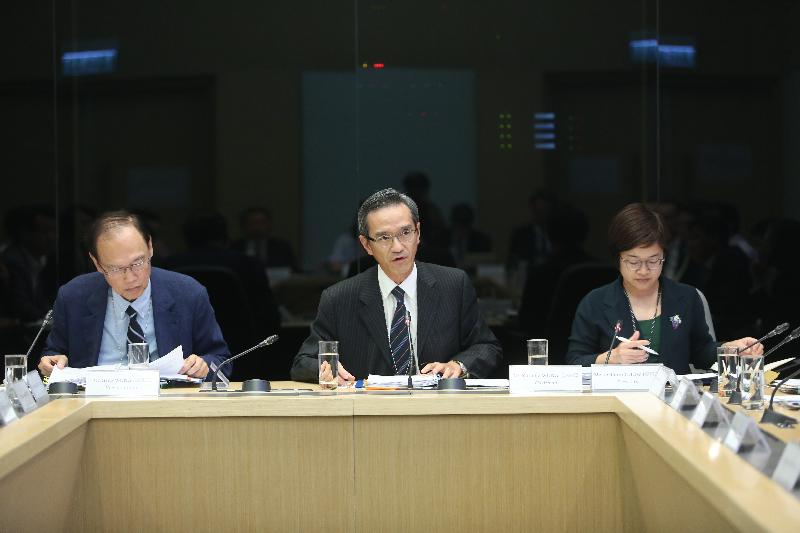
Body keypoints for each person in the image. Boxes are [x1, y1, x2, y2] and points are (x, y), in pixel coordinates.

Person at [291, 188, 502, 383]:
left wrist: (458, 365)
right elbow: (304, 361)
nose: (398, 247)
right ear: (366, 245)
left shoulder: (454, 285)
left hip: (437, 412)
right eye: (384, 237)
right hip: (370, 414)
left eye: (405, 233)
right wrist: (328, 371)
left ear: (418, 233)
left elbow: (486, 346)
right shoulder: (339, 298)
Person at [565, 203, 762, 373]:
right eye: (633, 262)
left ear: (664, 256)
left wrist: (729, 349)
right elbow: (574, 362)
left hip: (674, 404)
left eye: (653, 260)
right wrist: (611, 358)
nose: (644, 270)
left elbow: (701, 352)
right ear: (617, 258)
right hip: (617, 402)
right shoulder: (595, 302)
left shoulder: (687, 297)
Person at [38, 211, 230, 379]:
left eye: (138, 263)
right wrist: (52, 363)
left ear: (150, 247)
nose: (130, 278)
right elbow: (54, 354)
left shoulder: (188, 293)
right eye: (115, 268)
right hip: (95, 404)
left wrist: (204, 366)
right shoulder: (73, 296)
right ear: (96, 263)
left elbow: (221, 361)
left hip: (166, 405)